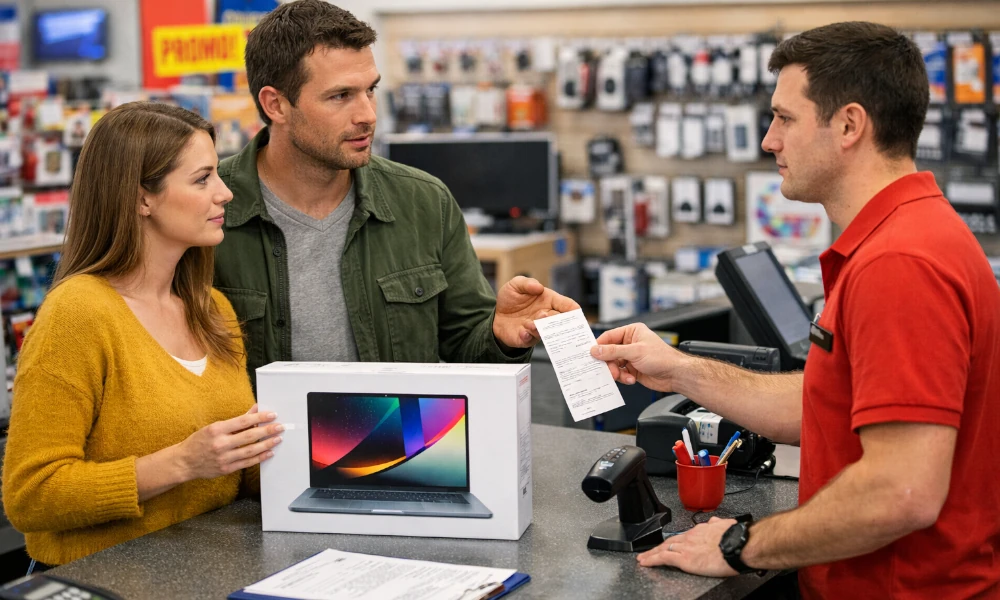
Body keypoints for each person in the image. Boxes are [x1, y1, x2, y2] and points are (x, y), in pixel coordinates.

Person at [591, 22, 1000, 599]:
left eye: (784, 117)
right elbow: (827, 404)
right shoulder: (906, 235)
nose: (768, 140)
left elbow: (900, 492)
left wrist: (740, 546)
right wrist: (678, 370)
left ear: (849, 125)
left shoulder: (899, 263)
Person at [213, 0, 577, 387]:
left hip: (402, 444)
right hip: (264, 447)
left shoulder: (424, 201)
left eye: (370, 90)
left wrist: (500, 333)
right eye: (341, 96)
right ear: (276, 105)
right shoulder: (208, 208)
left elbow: (466, 346)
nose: (368, 114)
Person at [1, 102, 283, 566]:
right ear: (141, 199)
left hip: (206, 566)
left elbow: (233, 469)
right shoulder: (78, 314)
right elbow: (30, 495)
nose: (225, 194)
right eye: (202, 178)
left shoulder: (212, 309)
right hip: (105, 577)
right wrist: (182, 463)